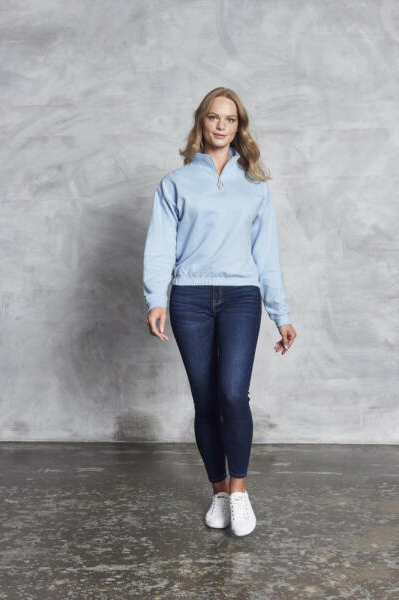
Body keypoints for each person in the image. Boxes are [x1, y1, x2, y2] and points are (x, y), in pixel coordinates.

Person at [143, 87, 297, 537]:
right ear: (202, 122)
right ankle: (219, 492)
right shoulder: (174, 183)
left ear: (238, 127)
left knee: (233, 394)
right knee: (206, 400)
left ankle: (240, 492)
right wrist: (156, 299)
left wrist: (281, 314)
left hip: (240, 297)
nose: (221, 126)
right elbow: (160, 246)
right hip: (189, 298)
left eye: (230, 119)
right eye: (214, 117)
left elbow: (266, 255)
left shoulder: (254, 186)